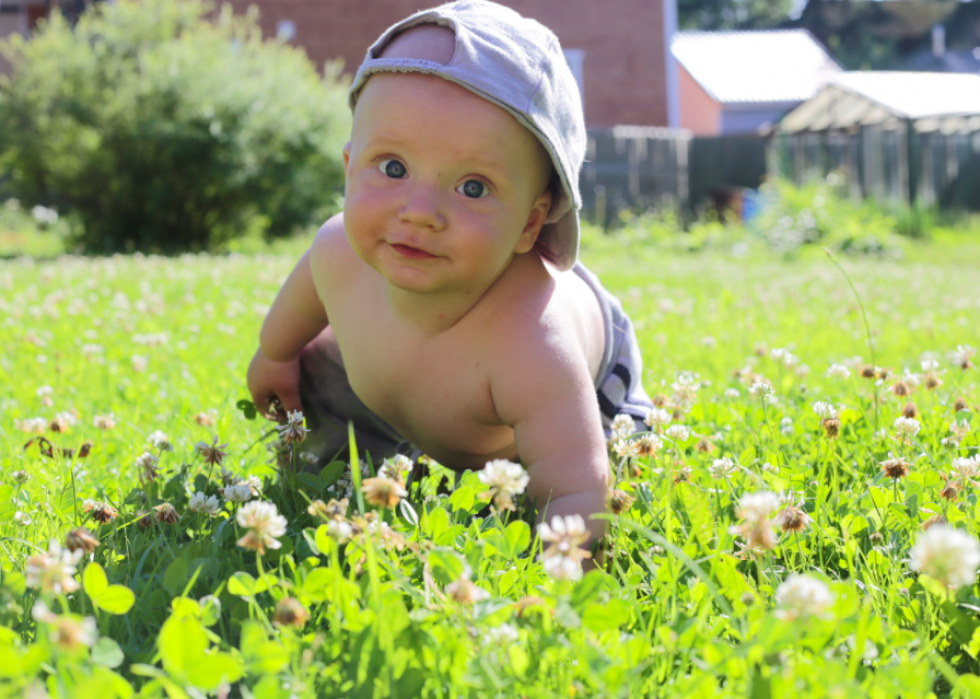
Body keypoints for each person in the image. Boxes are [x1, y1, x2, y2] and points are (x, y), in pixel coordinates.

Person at [246, 0, 654, 546]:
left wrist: (567, 561)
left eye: (473, 188)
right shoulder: (338, 249)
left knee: (603, 461)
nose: (419, 212)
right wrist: (275, 356)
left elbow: (578, 490)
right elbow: (300, 304)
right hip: (403, 388)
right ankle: (369, 467)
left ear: (531, 223)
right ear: (349, 168)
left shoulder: (533, 343)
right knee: (321, 374)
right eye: (393, 168)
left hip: (592, 373)